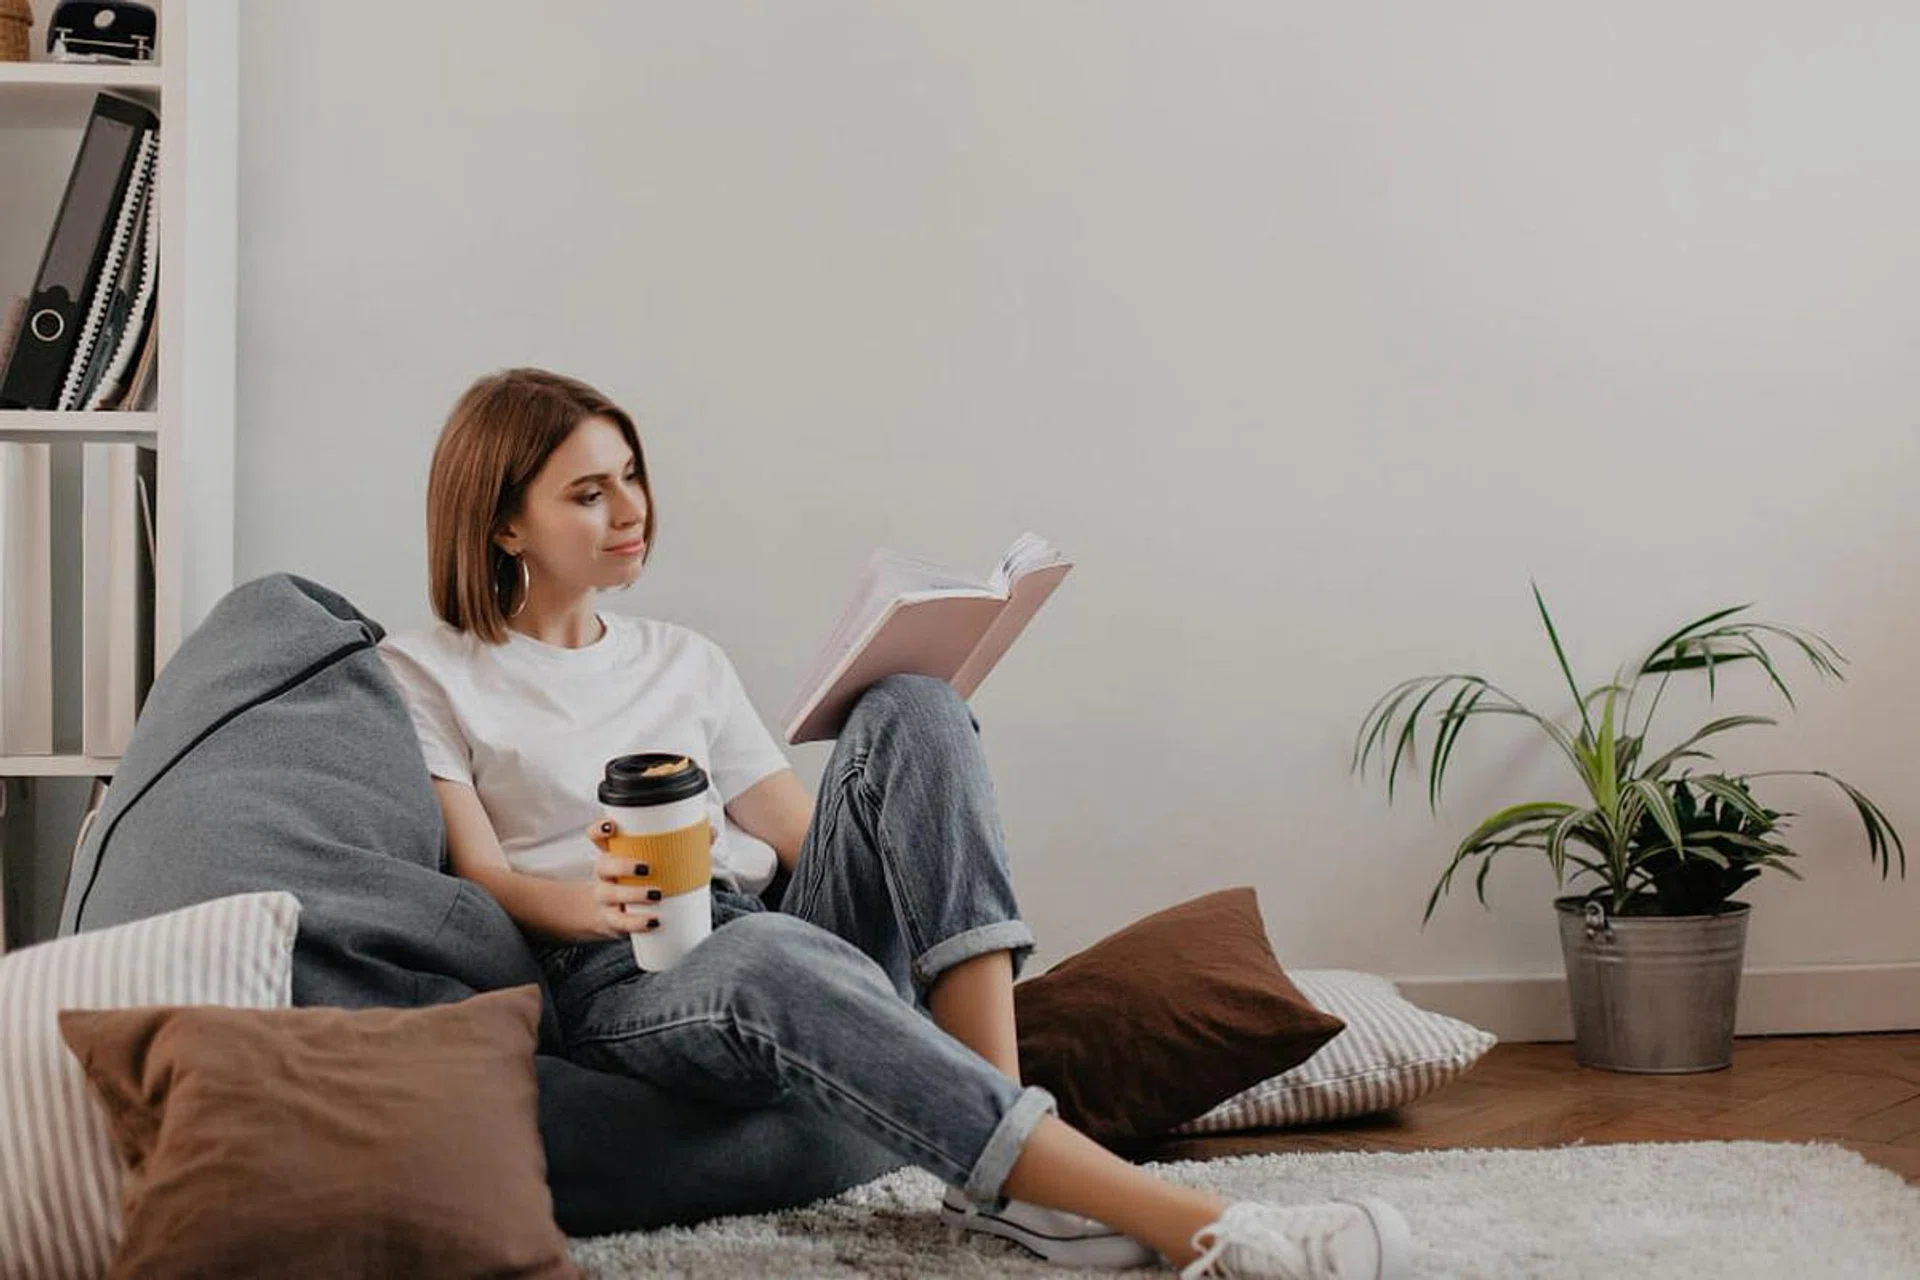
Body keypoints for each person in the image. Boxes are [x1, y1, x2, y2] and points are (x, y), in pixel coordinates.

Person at [378, 367, 1412, 1279]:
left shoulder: (682, 656)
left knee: (916, 700)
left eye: (633, 475)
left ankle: (999, 1139)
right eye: (588, 491)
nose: (630, 508)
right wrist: (593, 906)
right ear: (505, 522)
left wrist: (914, 773)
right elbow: (477, 871)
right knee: (775, 952)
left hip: (759, 924)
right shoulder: (429, 671)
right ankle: (1205, 1227)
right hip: (623, 974)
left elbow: (794, 830)